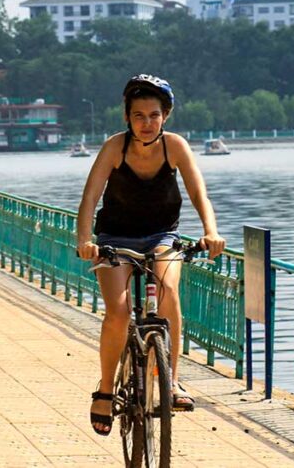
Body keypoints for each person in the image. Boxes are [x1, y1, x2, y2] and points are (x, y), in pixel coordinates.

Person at [76, 74, 226, 436]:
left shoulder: (175, 147)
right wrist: (85, 239)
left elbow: (197, 193)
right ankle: (106, 389)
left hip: (162, 235)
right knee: (119, 310)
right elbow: (89, 198)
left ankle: (172, 381)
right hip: (115, 237)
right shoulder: (115, 147)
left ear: (165, 116)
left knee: (170, 290)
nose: (147, 123)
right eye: (139, 116)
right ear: (127, 117)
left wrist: (211, 231)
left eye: (154, 115)